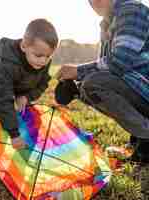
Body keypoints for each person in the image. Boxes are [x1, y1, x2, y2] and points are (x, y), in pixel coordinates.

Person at [56, 0, 149, 163]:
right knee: (88, 86)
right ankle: (139, 140)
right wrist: (74, 89)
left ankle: (146, 139)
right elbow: (105, 69)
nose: (93, 2)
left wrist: (77, 71)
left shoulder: (132, 10)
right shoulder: (107, 22)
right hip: (140, 90)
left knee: (94, 84)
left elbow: (120, 62)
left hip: (144, 87)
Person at [0, 18, 59, 149]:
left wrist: (26, 97)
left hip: (19, 90)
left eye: (48, 56)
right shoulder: (6, 65)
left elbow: (42, 85)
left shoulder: (42, 62)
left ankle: (23, 146)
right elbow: (3, 100)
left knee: (27, 119)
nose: (43, 61)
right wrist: (14, 134)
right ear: (23, 46)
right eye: (38, 55)